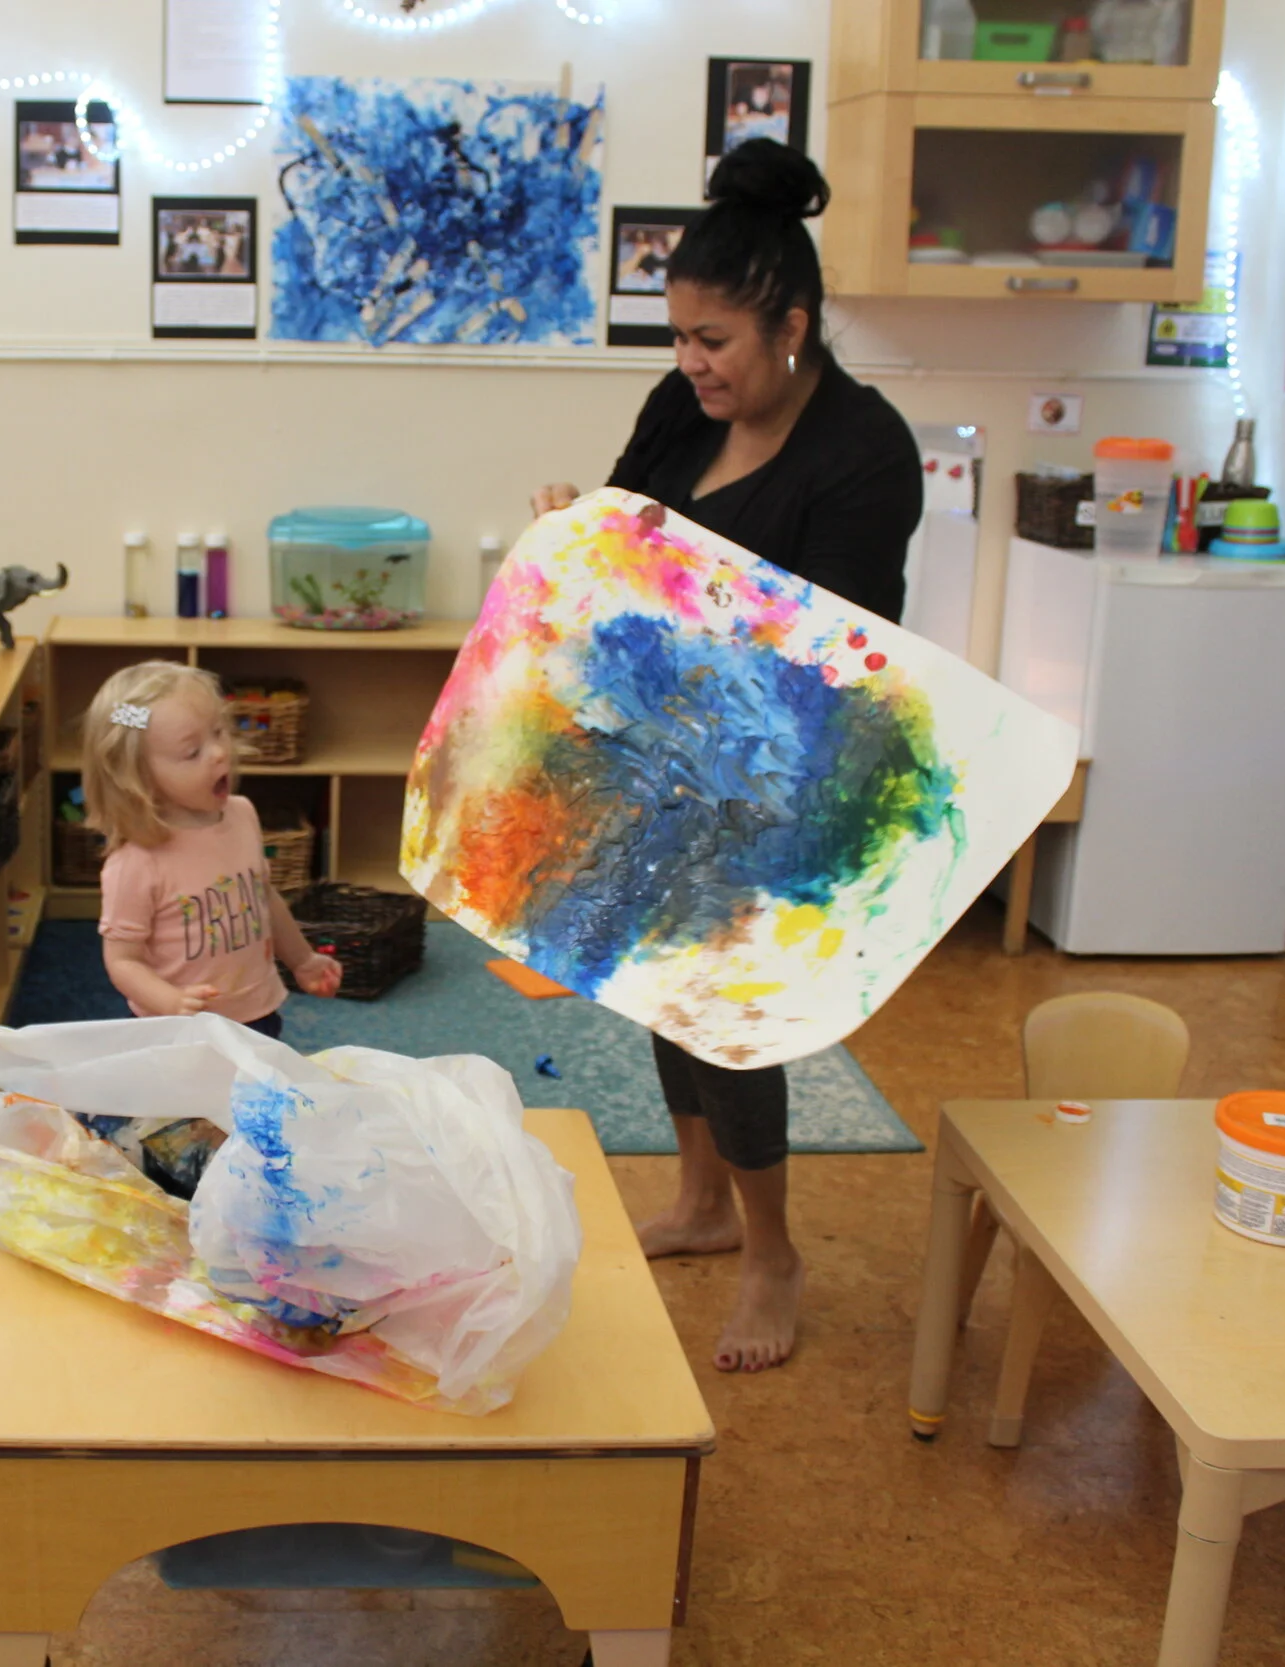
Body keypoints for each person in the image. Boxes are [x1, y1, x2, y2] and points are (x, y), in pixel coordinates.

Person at [530, 139, 923, 1375]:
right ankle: (701, 1202)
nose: (690, 365)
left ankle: (771, 1251)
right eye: (681, 338)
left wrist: (677, 608)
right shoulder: (675, 409)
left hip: (777, 769)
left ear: (791, 326)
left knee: (729, 1015)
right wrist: (572, 536)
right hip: (662, 746)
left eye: (715, 342)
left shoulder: (863, 451)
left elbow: (843, 648)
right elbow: (620, 541)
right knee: (656, 985)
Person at [84, 660, 342, 1034]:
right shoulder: (136, 862)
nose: (220, 752)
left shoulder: (243, 815)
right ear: (138, 778)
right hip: (175, 1027)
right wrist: (169, 1001)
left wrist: (302, 960)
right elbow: (123, 961)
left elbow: (263, 899)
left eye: (219, 732)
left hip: (257, 1010)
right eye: (192, 752)